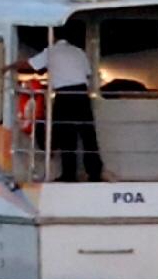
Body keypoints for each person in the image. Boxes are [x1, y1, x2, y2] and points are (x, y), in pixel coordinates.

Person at [12, 22, 102, 183]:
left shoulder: (51, 52)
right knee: (88, 135)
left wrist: (8, 67)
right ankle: (94, 173)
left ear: (54, 38)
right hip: (81, 94)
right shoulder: (79, 52)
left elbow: (30, 65)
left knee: (67, 136)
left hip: (64, 95)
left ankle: (69, 174)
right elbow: (87, 74)